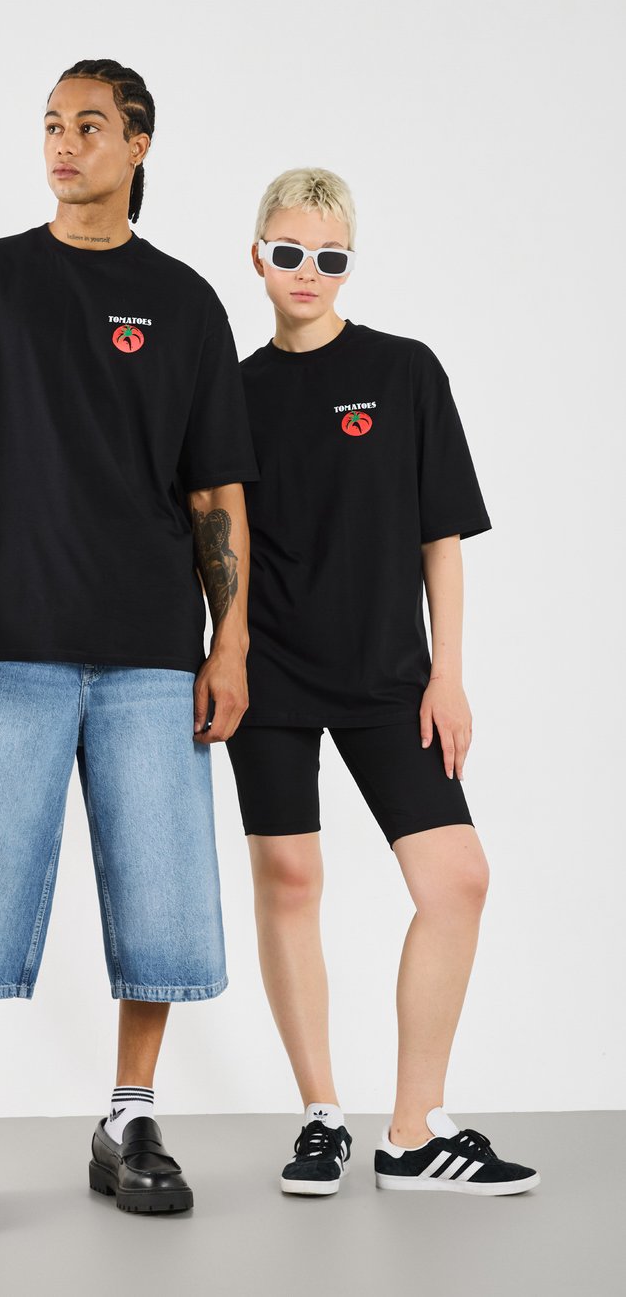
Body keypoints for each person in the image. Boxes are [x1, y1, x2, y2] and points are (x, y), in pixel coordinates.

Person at [0, 59, 258, 1233]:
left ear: (139, 144)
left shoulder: (187, 304)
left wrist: (231, 643)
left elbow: (216, 493)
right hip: (7, 647)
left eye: (89, 125)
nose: (63, 143)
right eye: (52, 124)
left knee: (161, 899)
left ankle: (129, 1119)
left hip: (153, 654)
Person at [225, 167, 540, 1197]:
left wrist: (448, 673)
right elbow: (213, 538)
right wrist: (222, 655)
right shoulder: (231, 391)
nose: (307, 272)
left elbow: (441, 534)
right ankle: (323, 1115)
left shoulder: (405, 371)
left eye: (330, 257)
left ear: (350, 263)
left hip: (389, 676)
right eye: (288, 252)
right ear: (258, 257)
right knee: (290, 880)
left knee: (457, 879)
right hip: (268, 673)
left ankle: (414, 1131)